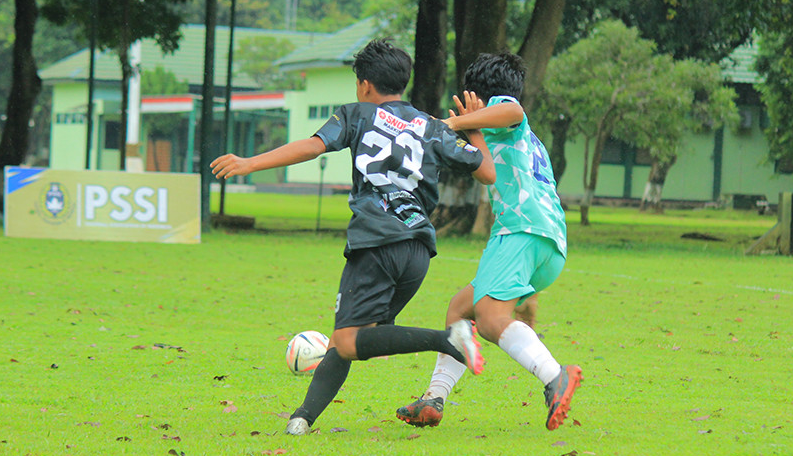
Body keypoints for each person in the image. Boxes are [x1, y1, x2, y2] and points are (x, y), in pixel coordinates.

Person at [210, 39, 496, 435]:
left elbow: (312, 147)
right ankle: (303, 418)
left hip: (376, 242)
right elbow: (487, 171)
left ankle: (449, 339)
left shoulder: (357, 114)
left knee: (346, 340)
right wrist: (475, 127)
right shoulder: (430, 126)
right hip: (417, 251)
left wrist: (249, 163)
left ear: (364, 85)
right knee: (358, 336)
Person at [395, 52, 582, 431]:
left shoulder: (504, 111)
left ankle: (553, 376)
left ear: (476, 94)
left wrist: (458, 120)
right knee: (459, 309)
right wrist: (467, 130)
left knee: (490, 318)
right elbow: (485, 172)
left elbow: (512, 111)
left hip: (521, 232)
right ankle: (434, 399)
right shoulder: (523, 140)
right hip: (547, 241)